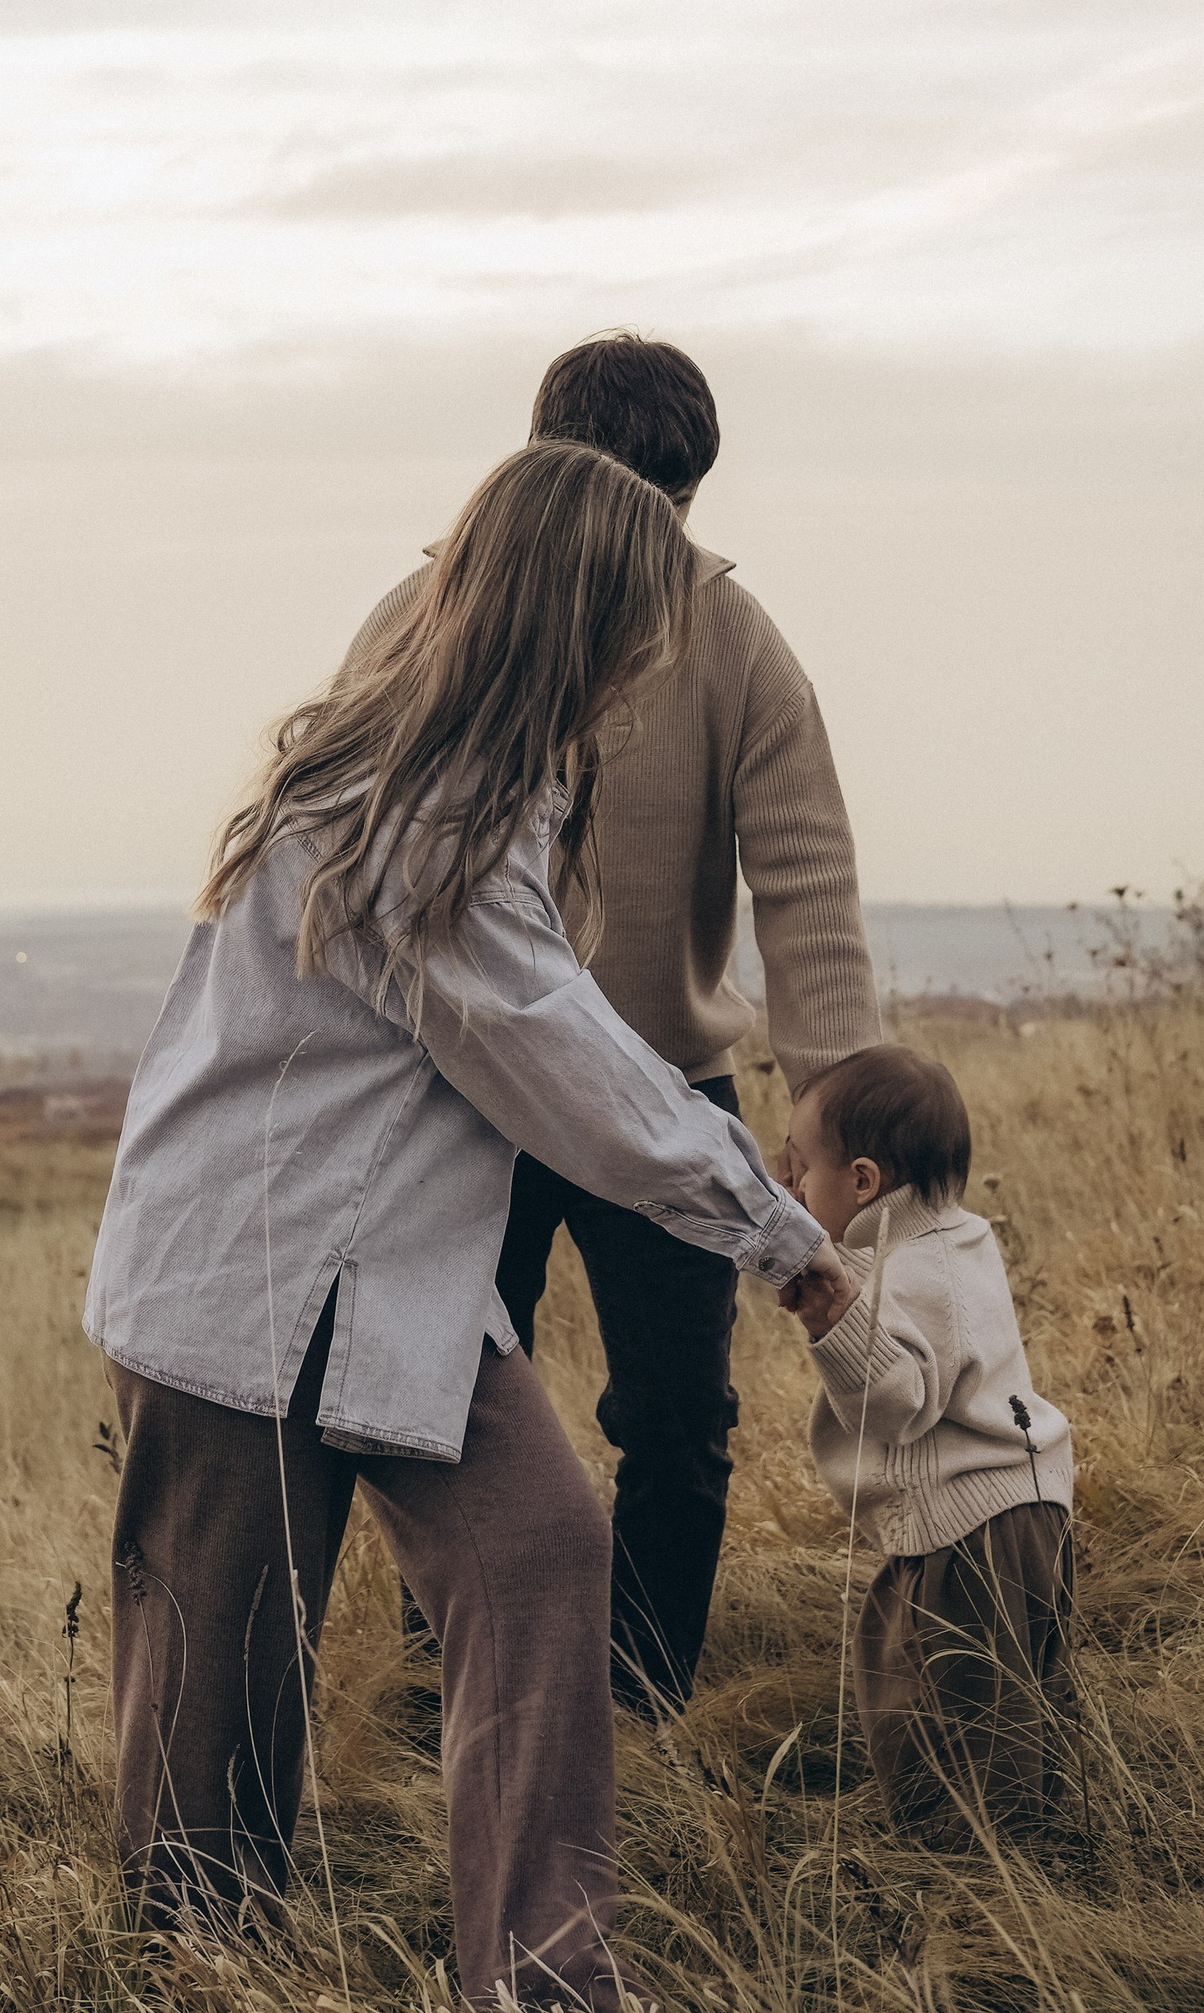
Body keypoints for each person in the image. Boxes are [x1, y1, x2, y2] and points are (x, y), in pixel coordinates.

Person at [87, 440, 862, 2013]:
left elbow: (569, 1023)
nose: (656, 657)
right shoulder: (416, 809)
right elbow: (560, 1061)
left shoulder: (506, 786)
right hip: (248, 1277)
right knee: (219, 1706)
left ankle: (545, 1994)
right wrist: (777, 1230)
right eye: (640, 620)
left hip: (393, 1284)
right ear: (583, 616)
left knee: (539, 1547)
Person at [351, 333, 882, 1713]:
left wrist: (838, 1115)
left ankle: (640, 1700)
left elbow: (805, 881)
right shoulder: (420, 621)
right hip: (466, 1087)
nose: (651, 544)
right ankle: (457, 1689)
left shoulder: (738, 641)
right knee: (442, 1398)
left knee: (676, 1418)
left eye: (673, 511)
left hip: (667, 1077)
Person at [775, 1045, 1076, 1840]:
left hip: (968, 1532)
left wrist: (831, 1319)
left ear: (865, 1181)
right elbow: (850, 1261)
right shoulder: (951, 1238)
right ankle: (1049, 1831)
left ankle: (972, 1869)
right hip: (1020, 1509)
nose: (791, 1186)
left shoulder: (914, 1273)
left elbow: (900, 1404)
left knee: (945, 1704)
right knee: (1020, 1693)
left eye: (800, 1171)